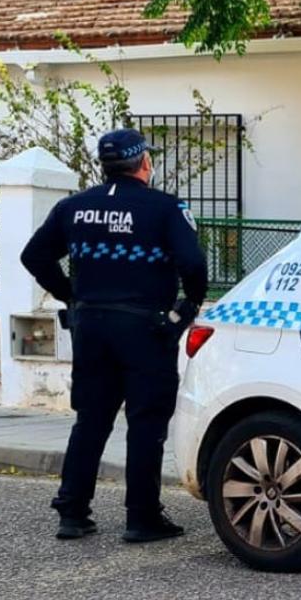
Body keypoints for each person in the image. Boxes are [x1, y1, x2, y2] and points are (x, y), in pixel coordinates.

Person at [21, 128, 208, 543]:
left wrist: (72, 296)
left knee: (91, 419)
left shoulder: (74, 206)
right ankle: (141, 517)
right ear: (144, 163)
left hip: (91, 327)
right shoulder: (164, 208)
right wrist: (190, 304)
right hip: (146, 327)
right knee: (145, 421)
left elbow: (33, 255)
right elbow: (192, 262)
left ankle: (72, 511)